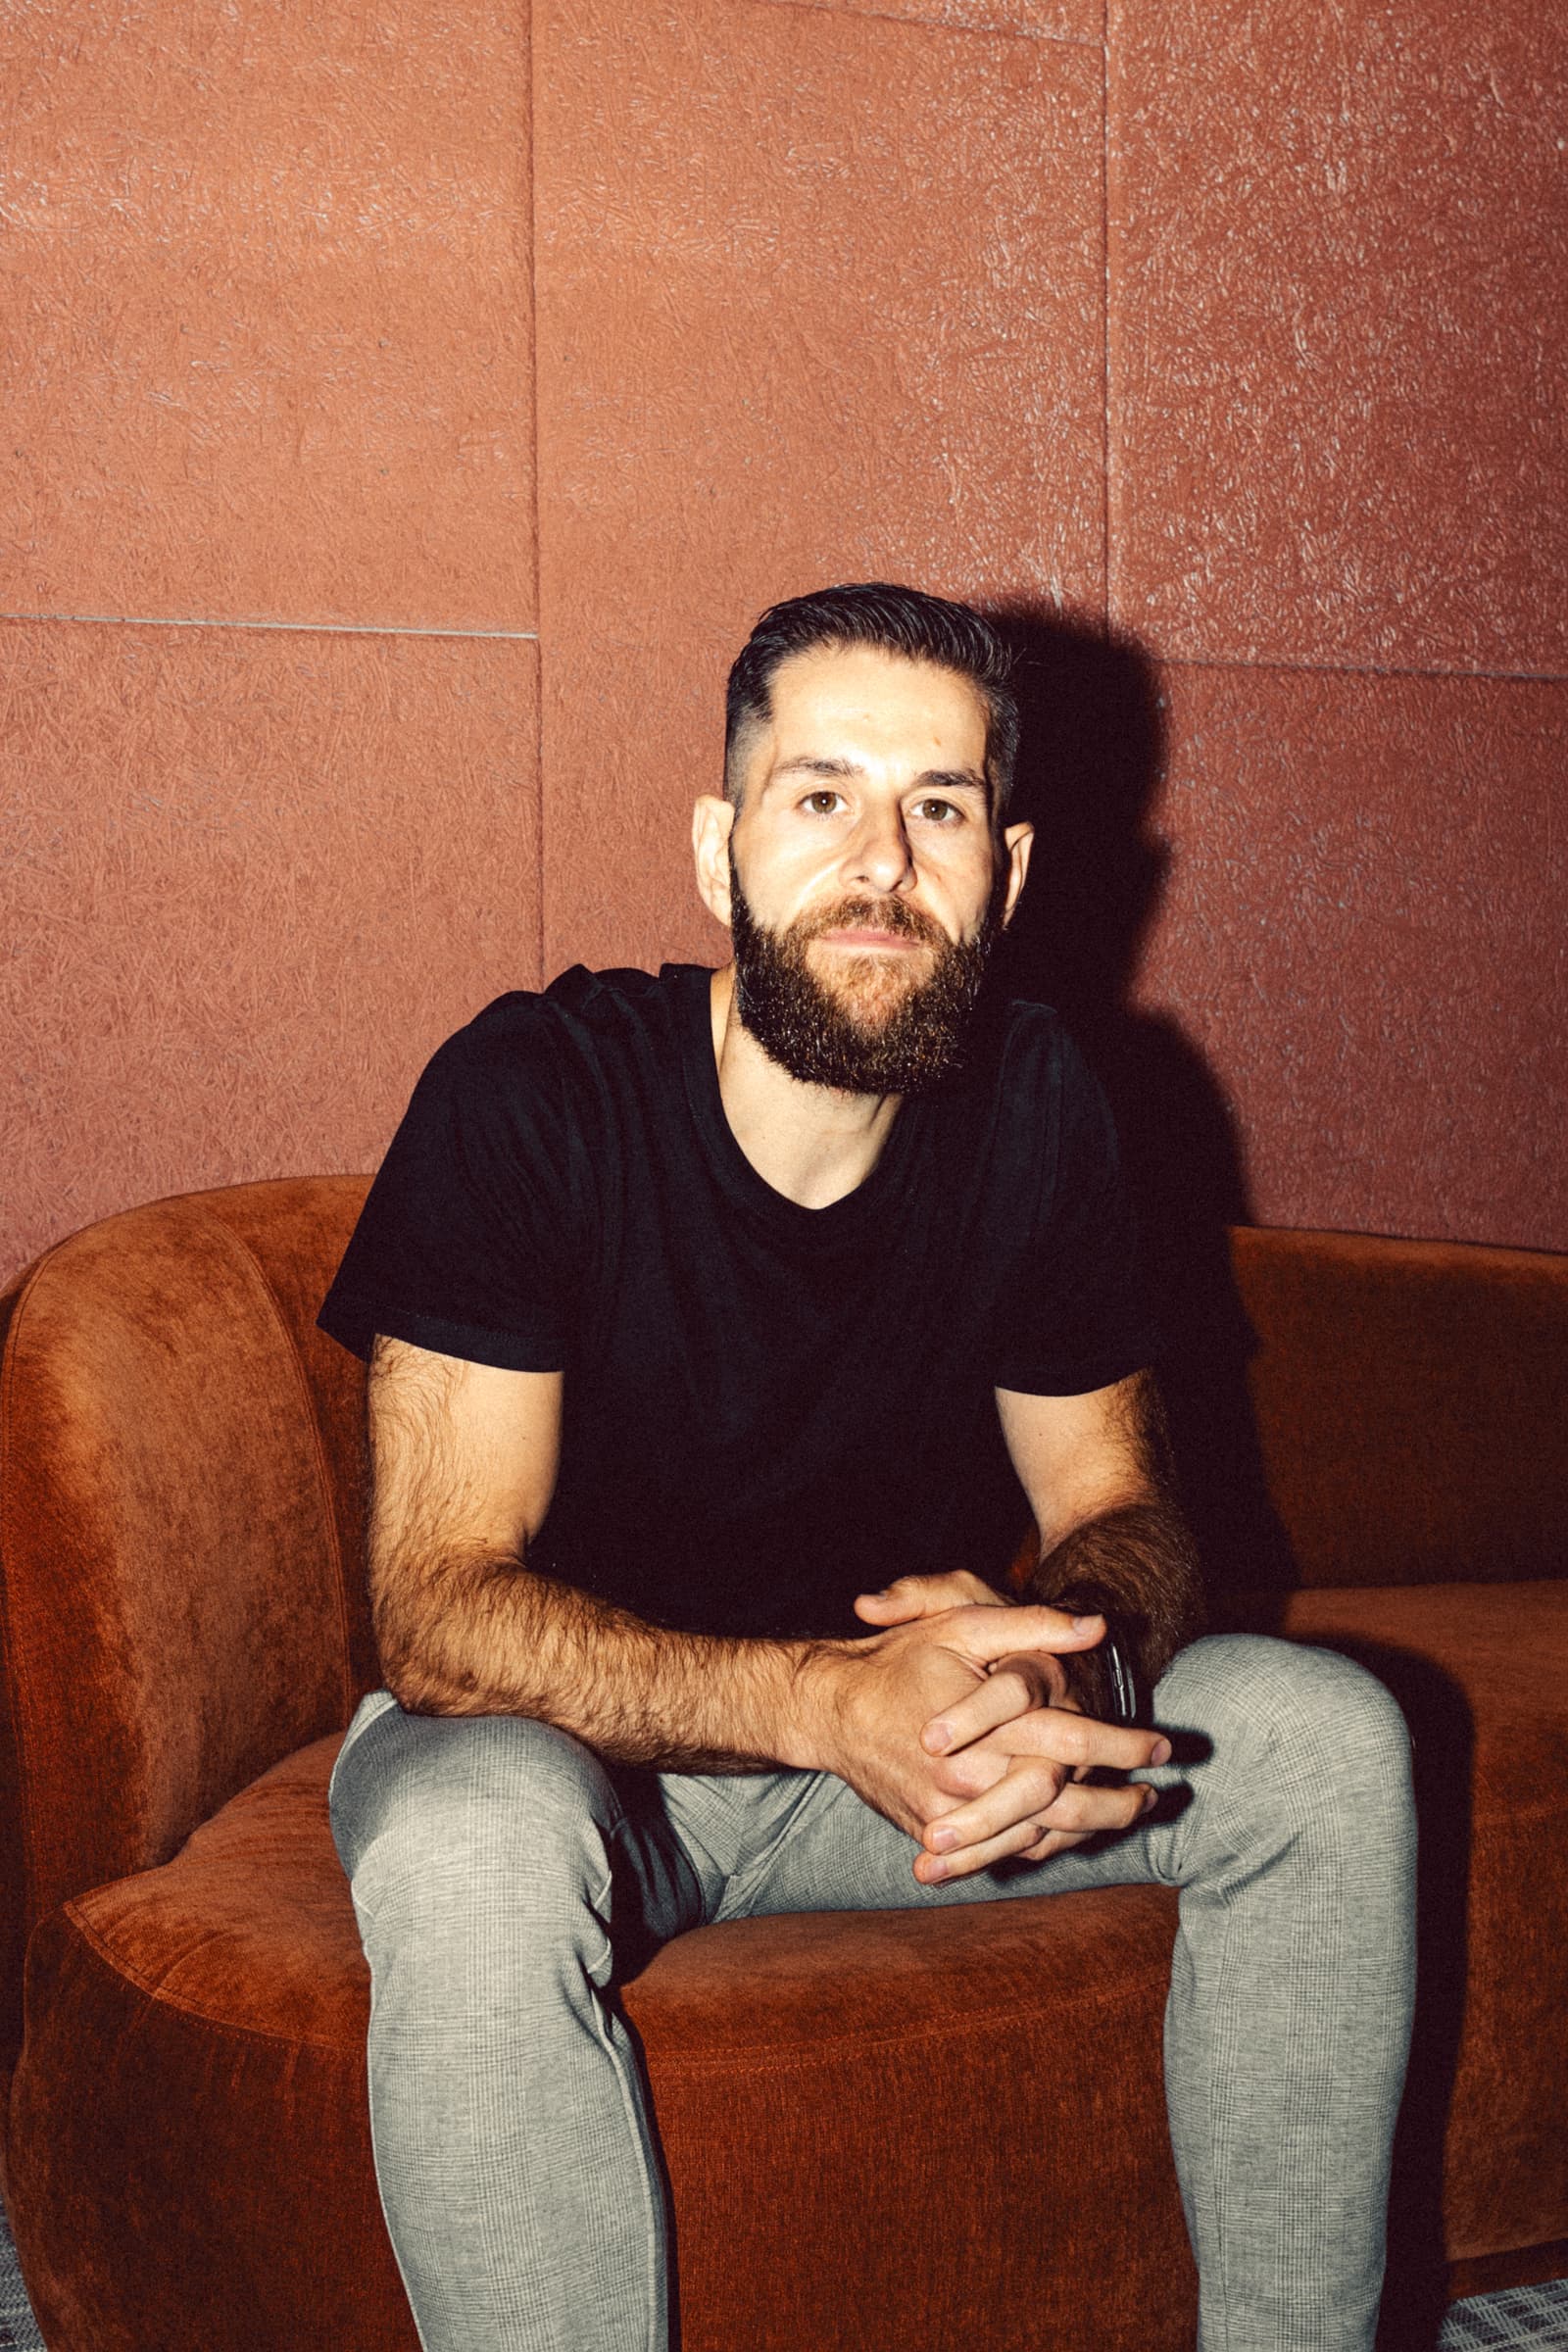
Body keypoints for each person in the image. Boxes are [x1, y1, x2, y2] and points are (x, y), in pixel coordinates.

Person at [319, 582, 1416, 2352]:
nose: (882, 863)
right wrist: (830, 1703)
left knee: (1321, 1739)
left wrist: (1060, 1678)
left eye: (940, 808)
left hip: (907, 1773)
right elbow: (437, 1612)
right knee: (467, 1834)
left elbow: (1117, 1509)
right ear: (718, 849)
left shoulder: (1044, 1101)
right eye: (820, 795)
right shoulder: (533, 1095)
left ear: (1009, 871)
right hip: (595, 1764)